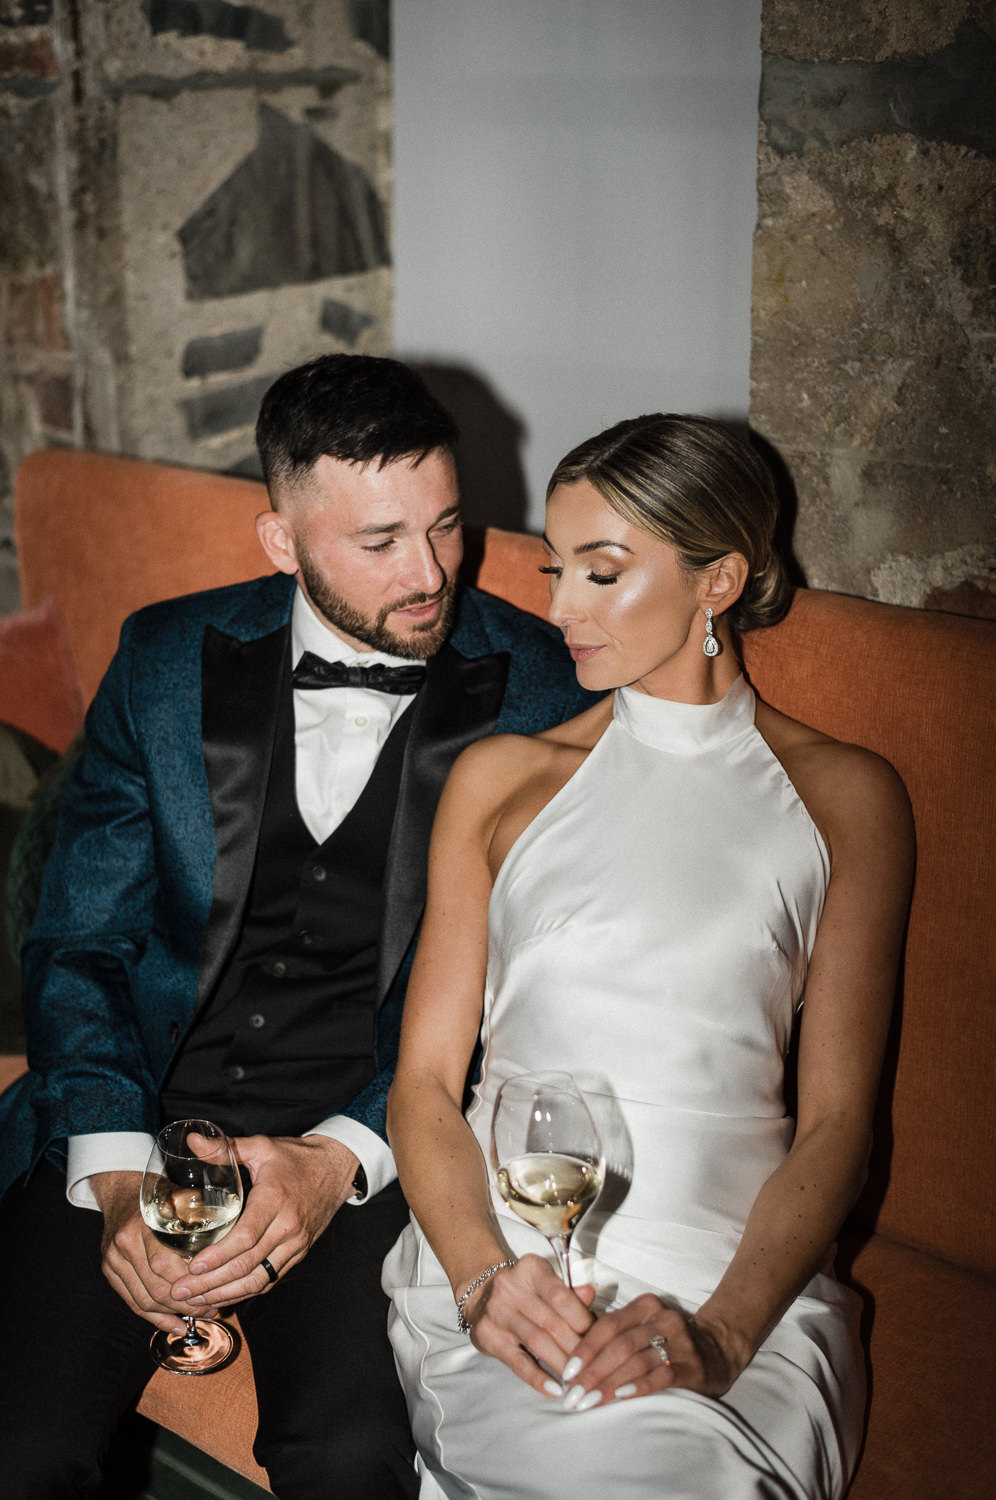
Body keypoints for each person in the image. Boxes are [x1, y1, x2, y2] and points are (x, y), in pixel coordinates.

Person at [0, 353, 595, 1499]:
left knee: (351, 1462)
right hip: (142, 1109)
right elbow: (78, 945)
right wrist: (121, 1181)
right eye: (377, 542)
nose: (429, 574)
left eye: (446, 526)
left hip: (372, 1138)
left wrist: (338, 1160)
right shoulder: (165, 658)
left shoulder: (540, 688)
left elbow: (521, 992)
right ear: (281, 542)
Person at [383, 414, 915, 1499]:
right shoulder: (501, 779)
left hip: (741, 1279)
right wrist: (485, 1281)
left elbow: (835, 1123)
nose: (557, 607)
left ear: (717, 580)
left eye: (602, 572)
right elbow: (426, 1087)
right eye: (554, 568)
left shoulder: (845, 797)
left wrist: (719, 1336)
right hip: (512, 1253)